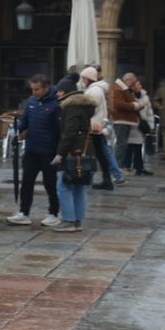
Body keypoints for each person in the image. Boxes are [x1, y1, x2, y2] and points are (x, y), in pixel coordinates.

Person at [9, 73, 63, 228]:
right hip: (32, 150)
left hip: (49, 151)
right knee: (27, 182)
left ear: (46, 88)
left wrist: (60, 151)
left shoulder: (56, 104)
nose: (34, 92)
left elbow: (60, 130)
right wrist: (20, 131)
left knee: (50, 183)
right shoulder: (31, 102)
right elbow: (25, 121)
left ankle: (53, 213)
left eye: (37, 89)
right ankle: (24, 212)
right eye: (32, 89)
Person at [55, 75, 95, 233]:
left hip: (73, 152)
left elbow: (69, 133)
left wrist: (60, 153)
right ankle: (77, 220)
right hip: (85, 152)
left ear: (64, 92)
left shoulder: (71, 107)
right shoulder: (85, 107)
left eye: (59, 92)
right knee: (79, 186)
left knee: (63, 186)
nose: (57, 94)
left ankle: (68, 220)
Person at [78, 66, 124, 190]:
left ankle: (96, 179)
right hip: (98, 126)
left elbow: (89, 110)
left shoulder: (93, 91)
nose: (82, 80)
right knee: (101, 154)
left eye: (84, 78)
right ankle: (106, 179)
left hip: (94, 127)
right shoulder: (98, 89)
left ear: (88, 78)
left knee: (95, 154)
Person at [111, 72, 152, 176]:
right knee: (122, 144)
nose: (133, 85)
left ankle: (123, 166)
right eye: (133, 83)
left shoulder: (124, 89)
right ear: (128, 80)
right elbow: (118, 104)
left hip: (128, 120)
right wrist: (135, 105)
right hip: (122, 120)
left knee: (125, 144)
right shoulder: (119, 88)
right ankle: (118, 167)